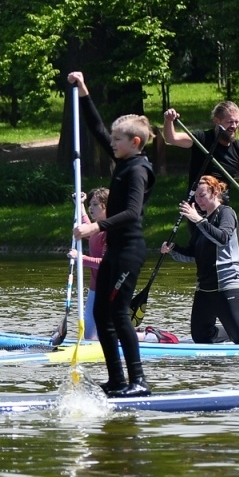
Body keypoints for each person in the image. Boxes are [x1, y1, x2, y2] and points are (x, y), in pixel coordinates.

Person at [68, 71, 155, 398]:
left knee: (118, 315)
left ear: (135, 143)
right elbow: (97, 129)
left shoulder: (138, 170)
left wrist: (95, 226)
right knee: (101, 314)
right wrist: (83, 89)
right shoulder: (123, 159)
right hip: (115, 252)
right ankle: (117, 380)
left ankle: (139, 381)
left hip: (128, 251)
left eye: (118, 140)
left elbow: (132, 212)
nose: (112, 143)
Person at [170, 175, 239, 344]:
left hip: (227, 284)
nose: (198, 200)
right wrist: (172, 248)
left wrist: (197, 219)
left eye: (202, 195)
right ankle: (237, 328)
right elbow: (193, 255)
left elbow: (223, 238)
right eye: (196, 197)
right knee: (201, 337)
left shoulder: (226, 213)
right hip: (205, 287)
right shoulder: (202, 222)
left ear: (216, 192)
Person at [162, 101, 239, 206]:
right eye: (230, 122)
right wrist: (168, 120)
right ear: (217, 121)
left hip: (221, 209)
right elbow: (171, 138)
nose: (234, 126)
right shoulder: (202, 139)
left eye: (237, 122)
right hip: (198, 207)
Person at [66, 187, 110, 341]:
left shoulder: (109, 232)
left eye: (95, 204)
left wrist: (80, 257)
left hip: (108, 287)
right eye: (90, 204)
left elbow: (105, 264)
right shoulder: (96, 227)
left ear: (107, 206)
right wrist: (80, 204)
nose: (91, 208)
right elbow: (86, 226)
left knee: (101, 333)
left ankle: (148, 337)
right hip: (94, 287)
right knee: (90, 335)